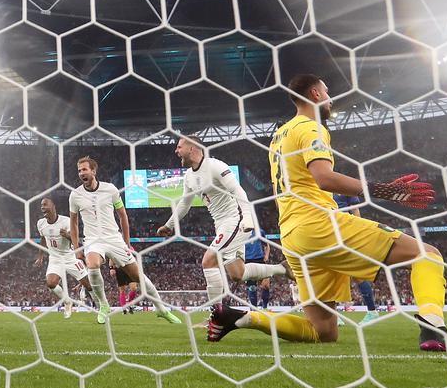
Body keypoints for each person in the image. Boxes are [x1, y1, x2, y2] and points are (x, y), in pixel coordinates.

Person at [207, 74, 447, 353]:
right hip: (320, 224)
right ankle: (434, 328)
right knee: (427, 254)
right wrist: (385, 191)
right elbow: (324, 177)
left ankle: (241, 317)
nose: (331, 99)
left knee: (323, 331)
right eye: (328, 92)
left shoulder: (280, 134)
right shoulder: (311, 127)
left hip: (293, 235)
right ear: (315, 94)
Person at [156, 137, 293, 306]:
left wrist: (248, 217)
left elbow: (238, 190)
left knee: (208, 261)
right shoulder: (189, 176)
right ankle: (282, 269)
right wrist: (169, 225)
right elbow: (185, 203)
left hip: (236, 220)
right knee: (238, 273)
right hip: (221, 225)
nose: (176, 151)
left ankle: (217, 313)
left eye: (179, 147)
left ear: (192, 148)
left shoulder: (215, 166)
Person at [69, 156, 180, 324]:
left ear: (93, 171)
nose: (81, 173)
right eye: (79, 170)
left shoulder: (110, 189)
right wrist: (77, 248)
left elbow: (123, 216)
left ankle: (161, 309)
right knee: (92, 265)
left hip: (114, 238)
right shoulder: (75, 195)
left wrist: (127, 243)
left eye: (84, 169)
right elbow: (73, 222)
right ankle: (103, 305)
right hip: (93, 240)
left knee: (138, 276)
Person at [35, 197, 98, 318]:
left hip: (69, 257)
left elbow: (76, 240)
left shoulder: (66, 221)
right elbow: (43, 238)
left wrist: (67, 235)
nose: (42, 207)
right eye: (41, 205)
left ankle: (100, 307)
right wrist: (40, 256)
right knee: (51, 283)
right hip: (55, 258)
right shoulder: (40, 223)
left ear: (53, 207)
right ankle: (67, 301)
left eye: (45, 204)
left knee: (88, 285)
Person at [333, 193, 379, 324]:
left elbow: (355, 208)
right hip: (329, 231)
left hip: (346, 231)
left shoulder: (341, 184)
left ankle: (372, 311)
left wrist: (359, 230)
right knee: (331, 273)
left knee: (357, 274)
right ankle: (334, 315)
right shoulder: (319, 187)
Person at [243, 227, 272, 309]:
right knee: (252, 288)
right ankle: (254, 308)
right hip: (248, 262)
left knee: (266, 284)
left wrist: (266, 255)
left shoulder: (260, 231)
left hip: (260, 260)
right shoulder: (240, 233)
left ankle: (265, 307)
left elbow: (266, 245)